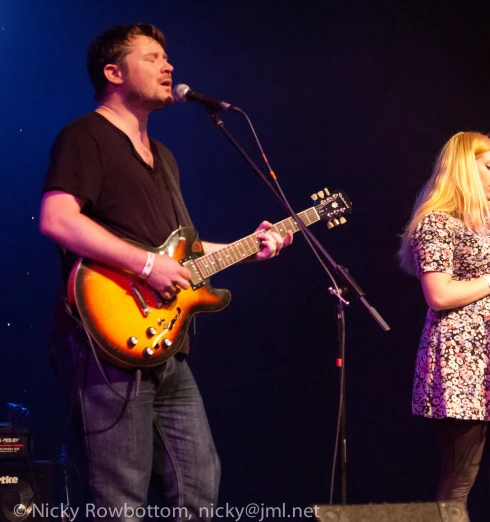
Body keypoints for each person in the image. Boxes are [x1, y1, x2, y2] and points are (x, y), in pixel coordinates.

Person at [39, 24, 292, 520]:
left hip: (165, 344)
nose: (168, 66)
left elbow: (185, 253)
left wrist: (250, 246)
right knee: (121, 499)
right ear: (114, 72)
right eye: (152, 57)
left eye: (167, 57)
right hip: (105, 341)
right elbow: (57, 219)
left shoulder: (167, 158)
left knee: (199, 486)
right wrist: (147, 264)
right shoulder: (84, 136)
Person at [398, 131, 490, 522]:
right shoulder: (436, 223)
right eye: (489, 166)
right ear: (463, 168)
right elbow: (438, 294)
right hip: (462, 363)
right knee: (460, 481)